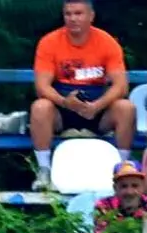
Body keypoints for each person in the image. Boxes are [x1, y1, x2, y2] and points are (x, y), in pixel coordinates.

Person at [31, 0, 137, 188]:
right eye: (68, 14)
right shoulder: (49, 42)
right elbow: (42, 87)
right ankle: (44, 170)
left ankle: (123, 168)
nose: (73, 19)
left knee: (126, 108)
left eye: (78, 13)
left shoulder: (106, 42)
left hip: (98, 109)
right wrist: (65, 102)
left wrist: (97, 106)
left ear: (91, 16)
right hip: (63, 107)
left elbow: (121, 86)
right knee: (40, 107)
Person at [94, 159, 146, 233]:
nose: (129, 192)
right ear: (115, 188)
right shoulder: (104, 206)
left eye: (135, 186)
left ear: (143, 187)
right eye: (124, 186)